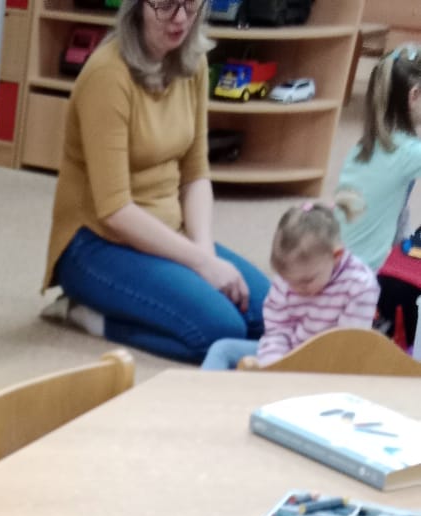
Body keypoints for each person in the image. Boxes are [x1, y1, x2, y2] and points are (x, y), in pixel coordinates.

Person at [43, 0, 269, 363]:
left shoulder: (192, 63)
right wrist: (200, 263)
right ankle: (88, 315)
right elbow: (115, 210)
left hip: (167, 233)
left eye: (190, 4)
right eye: (165, 5)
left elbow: (195, 173)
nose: (179, 18)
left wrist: (204, 252)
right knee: (220, 331)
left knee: (270, 317)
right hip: (95, 244)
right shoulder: (108, 75)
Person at [202, 201, 379, 369]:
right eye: (289, 280)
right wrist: (275, 366)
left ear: (336, 256)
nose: (296, 289)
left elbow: (348, 347)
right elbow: (277, 331)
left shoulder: (360, 285)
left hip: (331, 364)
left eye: (306, 281)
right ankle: (200, 390)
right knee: (222, 349)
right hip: (289, 353)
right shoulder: (288, 278)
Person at [334, 46, 421, 345]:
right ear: (414, 95)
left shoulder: (365, 145)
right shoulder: (408, 152)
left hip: (337, 264)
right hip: (362, 282)